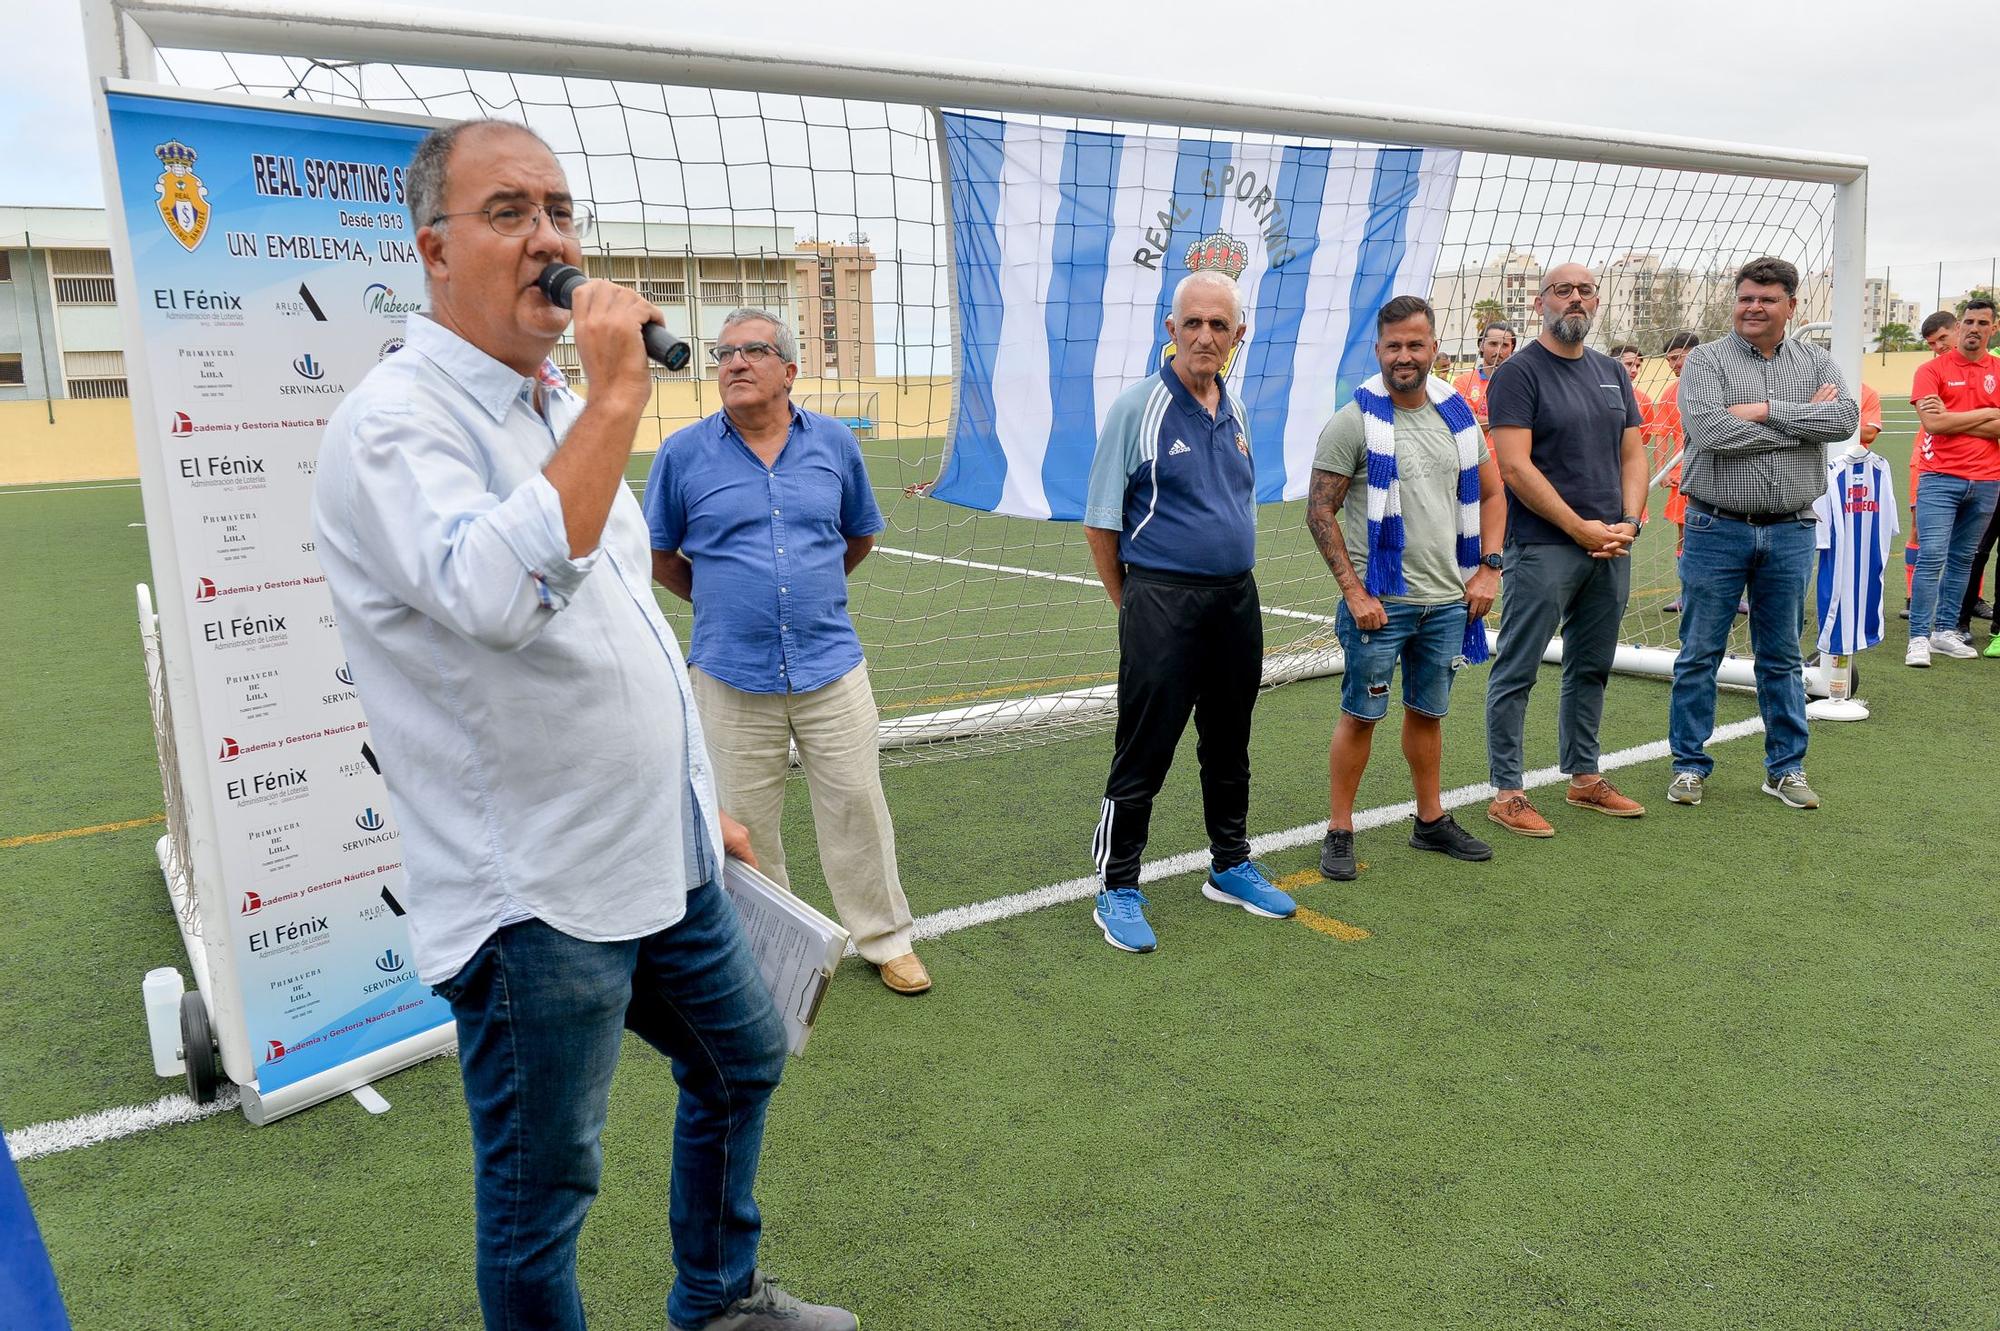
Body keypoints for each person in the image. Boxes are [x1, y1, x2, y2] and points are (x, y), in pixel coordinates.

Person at [311, 119, 856, 1331]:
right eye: (509, 212)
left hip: (659, 855)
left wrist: (696, 801)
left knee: (739, 1057)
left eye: (559, 210)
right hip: (535, 896)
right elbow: (498, 595)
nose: (549, 238)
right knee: (540, 1194)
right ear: (432, 249)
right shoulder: (395, 423)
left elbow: (625, 632)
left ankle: (717, 1297)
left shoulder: (555, 404)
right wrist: (617, 393)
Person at [646, 309, 929, 997]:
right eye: (723, 353)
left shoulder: (834, 444)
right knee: (744, 823)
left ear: (789, 370)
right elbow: (658, 554)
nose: (734, 363)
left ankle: (886, 939)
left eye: (752, 350)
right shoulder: (682, 455)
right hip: (729, 673)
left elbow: (857, 536)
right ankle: (773, 953)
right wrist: (723, 603)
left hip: (831, 664)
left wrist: (809, 597)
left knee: (857, 805)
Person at [1081, 269, 1296, 953]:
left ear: (1239, 335)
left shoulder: (1231, 409)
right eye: (1193, 323)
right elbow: (1100, 523)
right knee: (1144, 747)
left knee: (1230, 741)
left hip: (1237, 600)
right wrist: (1138, 602)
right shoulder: (1137, 408)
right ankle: (1117, 883)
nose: (1206, 335)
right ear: (1170, 330)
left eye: (1219, 325)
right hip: (1162, 602)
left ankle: (1229, 863)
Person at [1306, 295, 1505, 879]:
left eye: (1415, 344)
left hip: (1447, 602)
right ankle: (1340, 829)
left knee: (1428, 713)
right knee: (1361, 715)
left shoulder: (1459, 416)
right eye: (1393, 346)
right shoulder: (1353, 422)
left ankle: (1430, 821)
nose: (1404, 356)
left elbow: (1493, 494)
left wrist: (1489, 568)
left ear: (1434, 349)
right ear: (1378, 351)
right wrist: (1355, 593)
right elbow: (1321, 513)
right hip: (1381, 605)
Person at [1667, 256, 1858, 810]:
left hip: (1791, 529)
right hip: (1715, 525)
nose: (1753, 307)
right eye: (1746, 297)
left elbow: (1842, 421)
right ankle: (1688, 766)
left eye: (1767, 299)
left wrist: (1762, 410)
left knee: (1780, 655)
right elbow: (1708, 430)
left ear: (1791, 306)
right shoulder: (1705, 359)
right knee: (1699, 651)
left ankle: (1785, 768)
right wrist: (1797, 422)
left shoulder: (1816, 359)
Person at [1482, 262, 1649, 837]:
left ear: (1596, 302)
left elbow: (1633, 454)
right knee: (1518, 669)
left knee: (1592, 665)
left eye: (1584, 291)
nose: (1574, 299)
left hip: (1611, 546)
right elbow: (1513, 466)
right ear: (1540, 303)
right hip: (1545, 545)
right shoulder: (1519, 373)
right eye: (1562, 291)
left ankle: (1583, 777)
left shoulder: (1612, 372)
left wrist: (1628, 521)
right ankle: (1507, 792)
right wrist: (1579, 527)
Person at [1908, 297, 2000, 662]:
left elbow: (1949, 420)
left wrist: (1955, 417)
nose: (1974, 328)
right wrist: (1989, 415)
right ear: (1958, 326)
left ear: (1993, 328)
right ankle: (1918, 636)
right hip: (1939, 477)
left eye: (1982, 322)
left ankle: (1945, 631)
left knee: (1964, 558)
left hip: (1989, 480)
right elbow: (1934, 423)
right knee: (1931, 556)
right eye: (1968, 322)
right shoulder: (1931, 370)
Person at [1901, 311, 1959, 614]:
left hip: (1976, 464)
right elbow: (1934, 420)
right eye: (1932, 343)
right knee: (1919, 528)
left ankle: (1967, 600)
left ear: (1957, 329)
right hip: (1927, 456)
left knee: (1969, 537)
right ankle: (1912, 596)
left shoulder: (1986, 368)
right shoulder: (1930, 371)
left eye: (1942, 339)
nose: (1937, 347)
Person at [1452, 320, 1517, 435]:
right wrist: (1511, 419)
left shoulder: (1520, 383)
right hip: (1477, 452)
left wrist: (1483, 420)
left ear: (1511, 349)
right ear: (1481, 346)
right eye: (1493, 344)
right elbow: (1466, 422)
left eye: (1505, 345)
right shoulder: (1462, 383)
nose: (1498, 351)